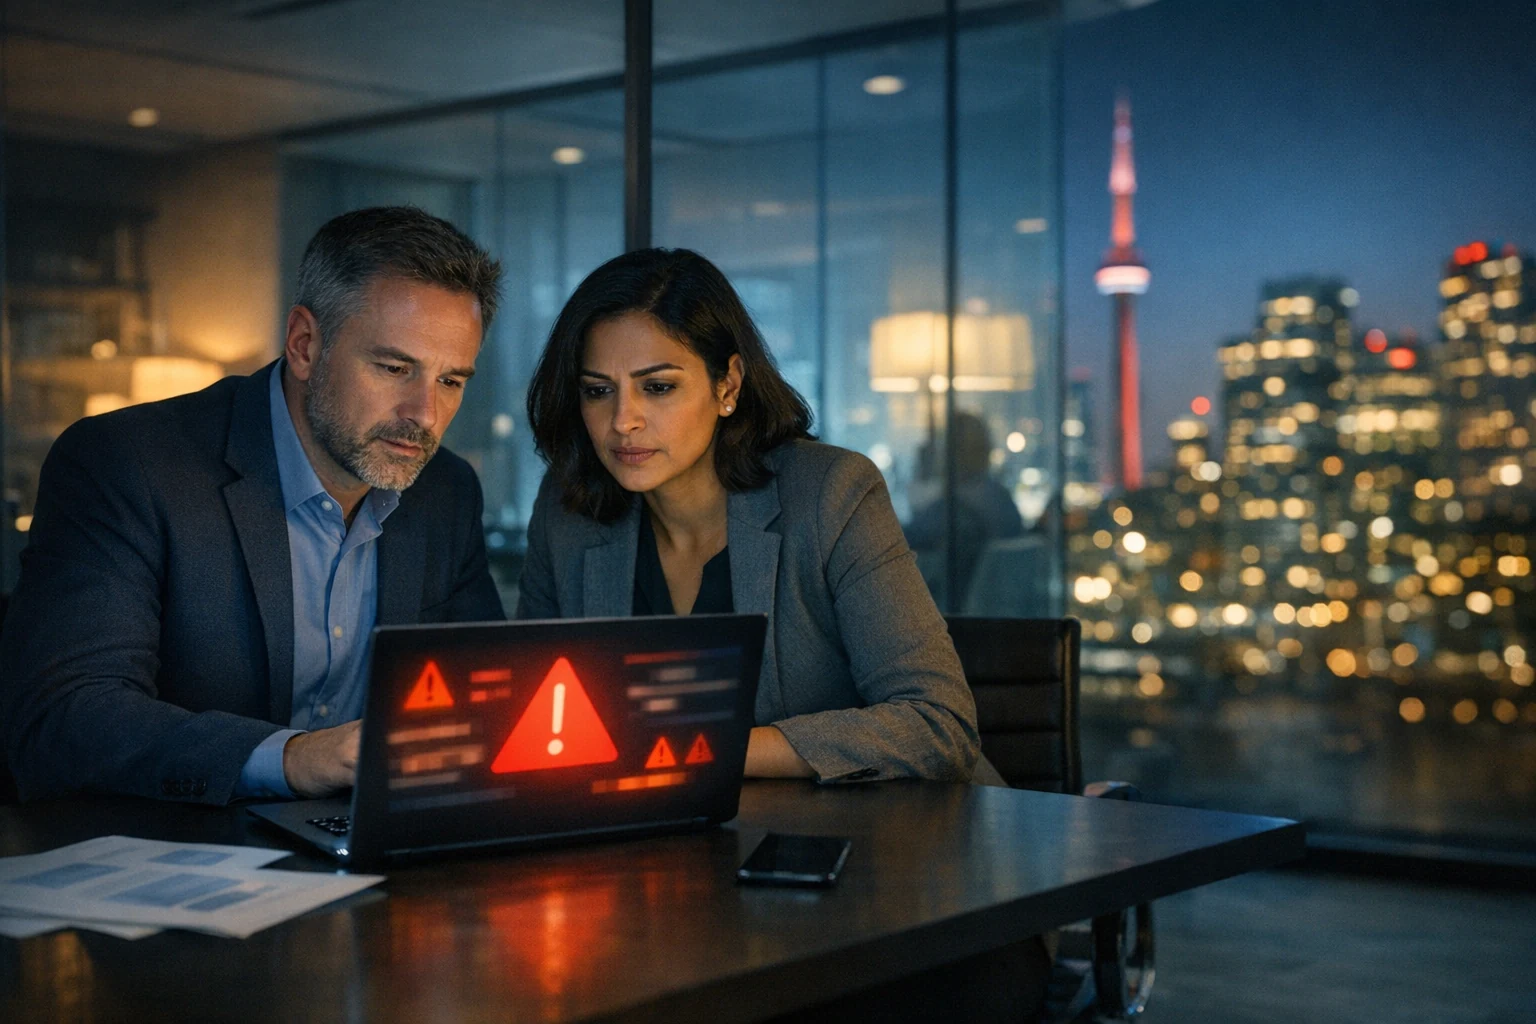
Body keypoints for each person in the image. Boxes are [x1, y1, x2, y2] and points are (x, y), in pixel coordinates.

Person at [0, 206, 505, 804]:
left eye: (451, 381)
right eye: (395, 368)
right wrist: (292, 758)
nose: (424, 414)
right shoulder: (126, 463)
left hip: (373, 848)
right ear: (304, 345)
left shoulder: (443, 491)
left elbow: (484, 697)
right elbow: (64, 717)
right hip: (179, 857)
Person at [518, 247, 981, 783]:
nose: (624, 421)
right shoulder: (568, 510)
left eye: (658, 387)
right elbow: (535, 716)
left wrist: (696, 748)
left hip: (872, 843)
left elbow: (937, 723)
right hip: (660, 842)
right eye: (599, 391)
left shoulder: (830, 494)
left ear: (728, 386)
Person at [905, 410, 1026, 608]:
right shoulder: (1001, 497)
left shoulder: (955, 510)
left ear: (949, 452)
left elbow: (892, 544)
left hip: (955, 621)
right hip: (999, 619)